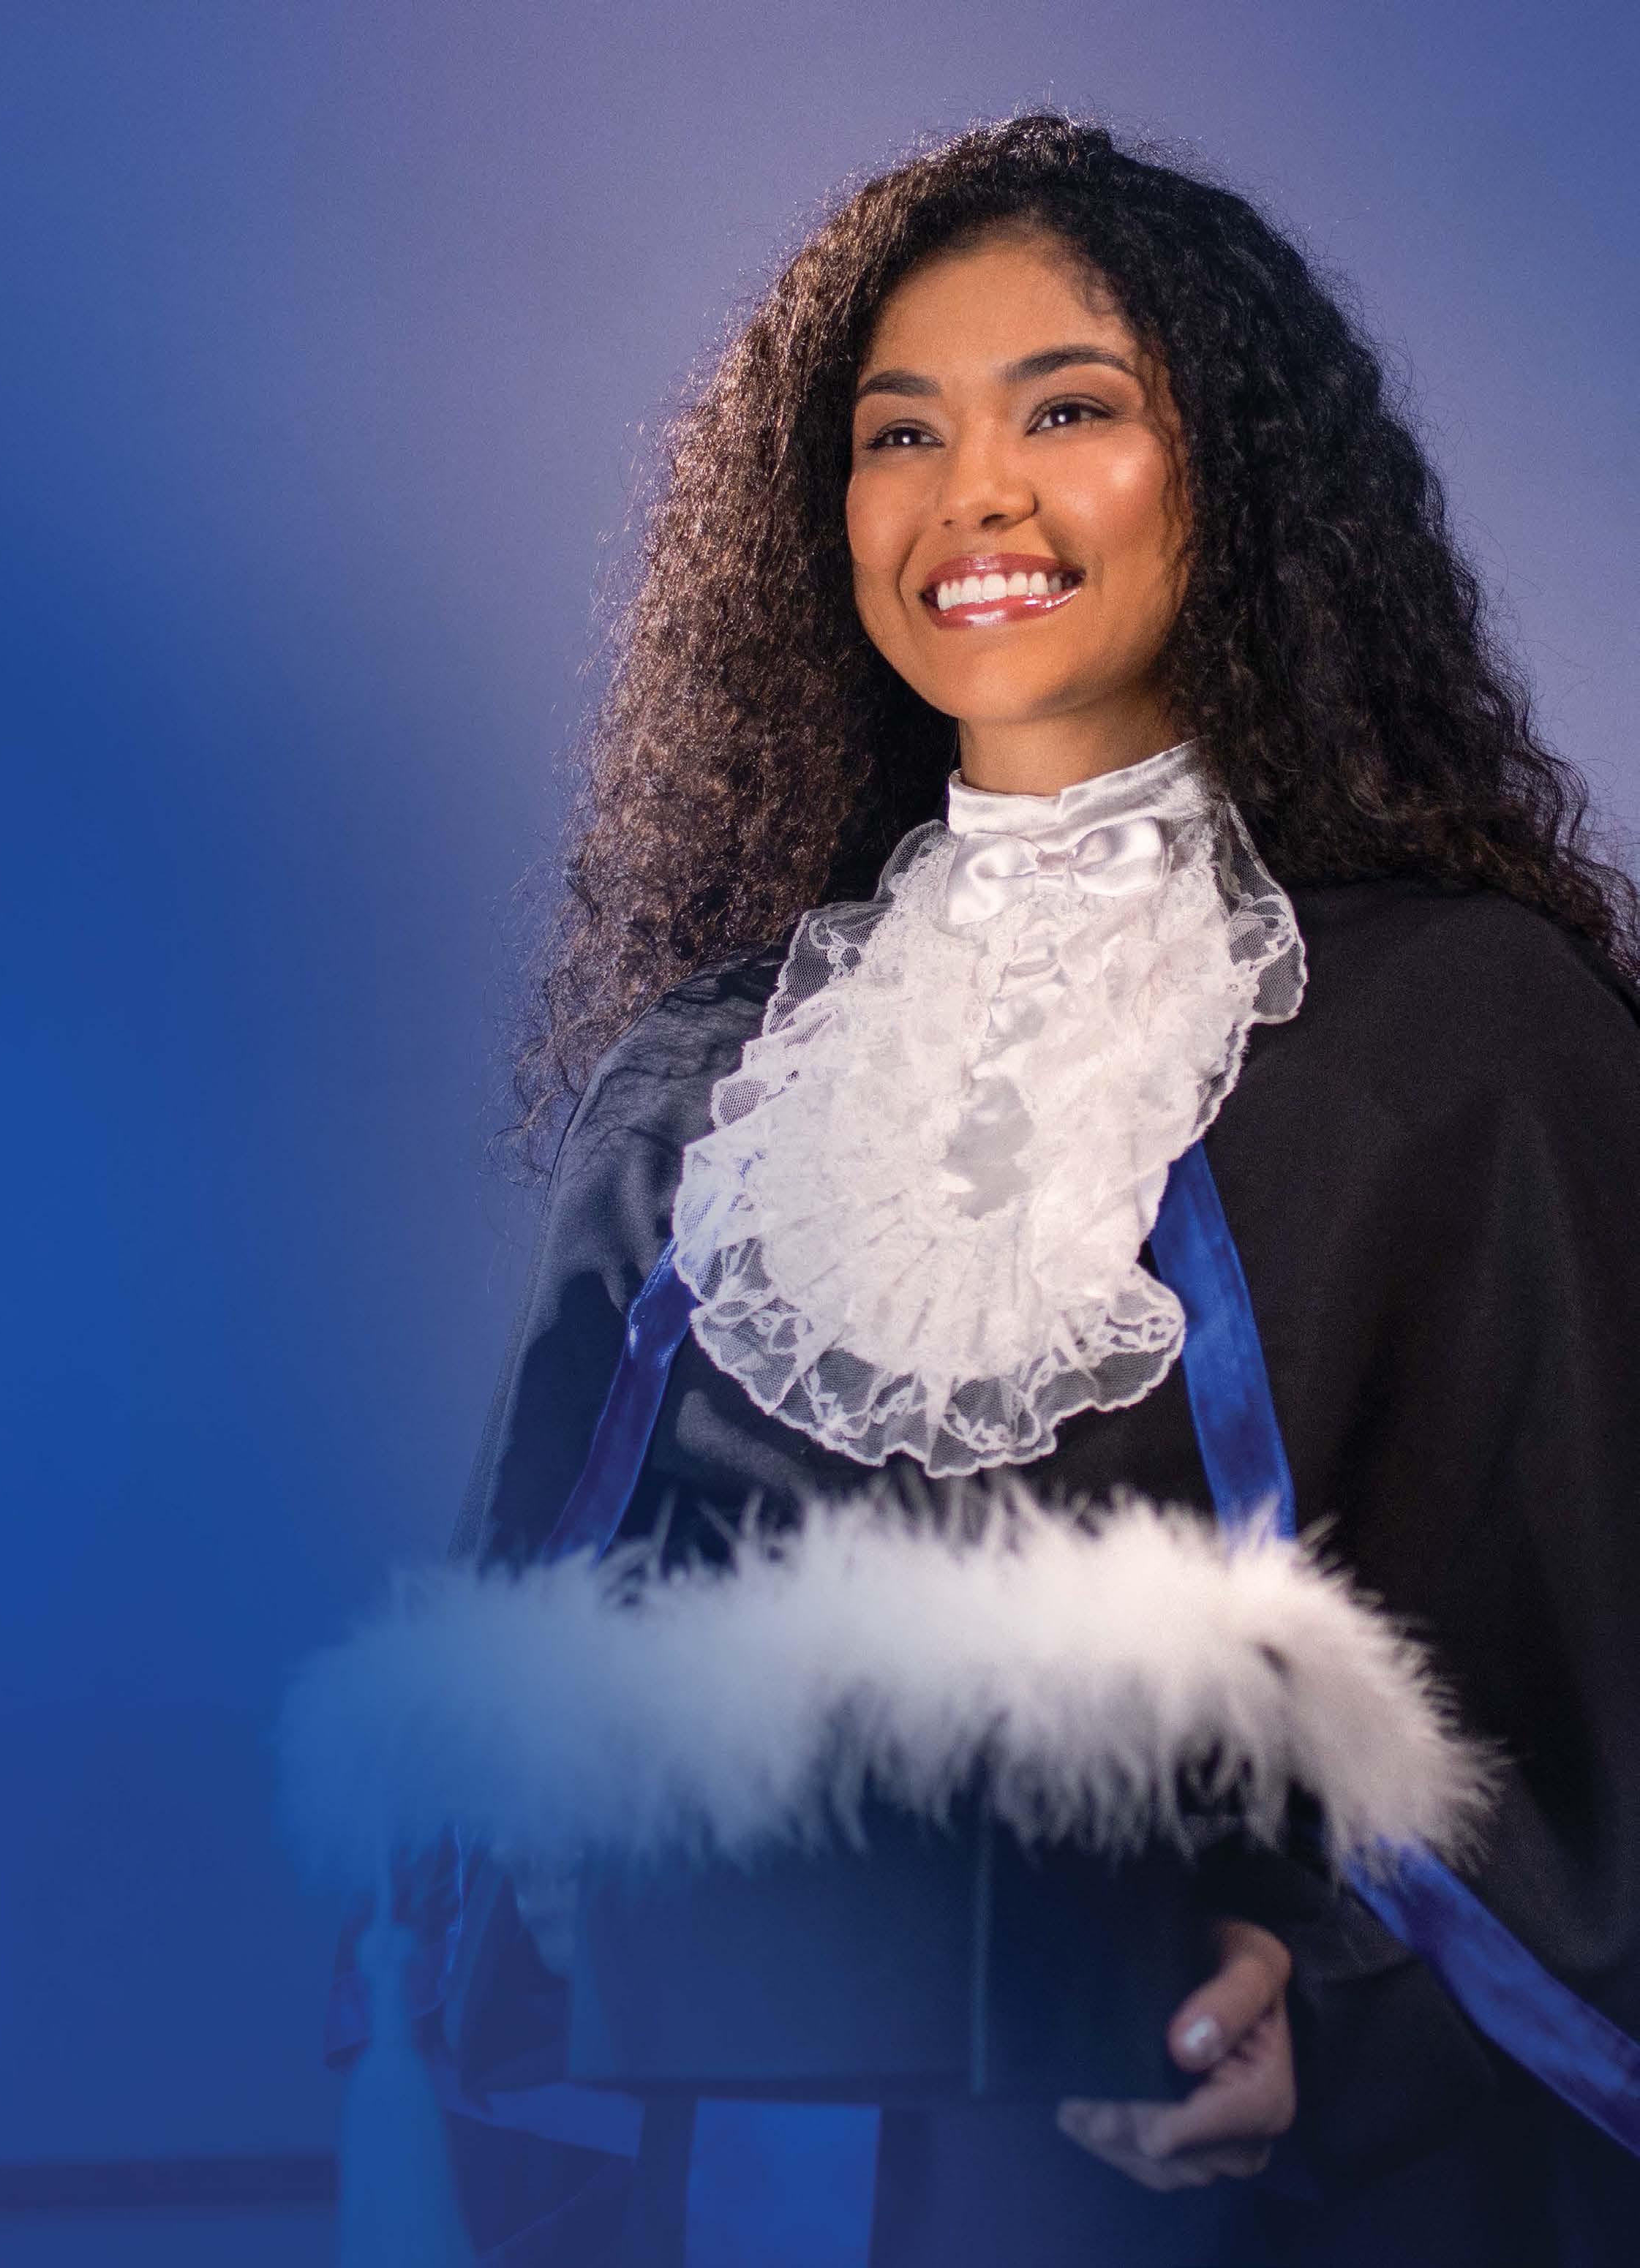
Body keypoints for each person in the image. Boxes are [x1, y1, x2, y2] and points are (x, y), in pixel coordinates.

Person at [328, 114, 1640, 2264]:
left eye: (1071, 410)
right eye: (900, 432)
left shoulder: (1467, 1037)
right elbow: (527, 1679)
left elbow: (1592, 1690)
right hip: (748, 2203)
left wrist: (1341, 2012)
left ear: (1239, 476)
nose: (976, 498)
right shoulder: (702, 1086)